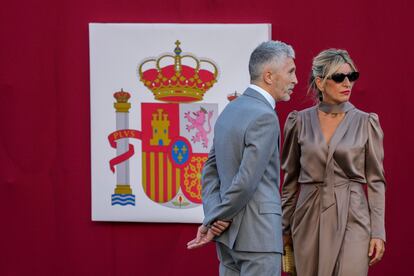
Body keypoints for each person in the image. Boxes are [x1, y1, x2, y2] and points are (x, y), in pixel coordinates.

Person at [187, 40, 298, 276]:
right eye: (291, 72)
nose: (295, 80)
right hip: (259, 239)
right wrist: (217, 218)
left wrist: (214, 217)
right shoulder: (265, 117)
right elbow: (247, 180)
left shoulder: (230, 110)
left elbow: (209, 171)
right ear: (269, 76)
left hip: (228, 240)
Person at [281, 49, 386, 276]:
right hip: (308, 215)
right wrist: (284, 227)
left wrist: (378, 232)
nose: (347, 83)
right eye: (339, 77)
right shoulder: (298, 121)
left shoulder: (366, 122)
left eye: (352, 76)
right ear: (320, 82)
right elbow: (289, 180)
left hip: (353, 215)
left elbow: (376, 180)